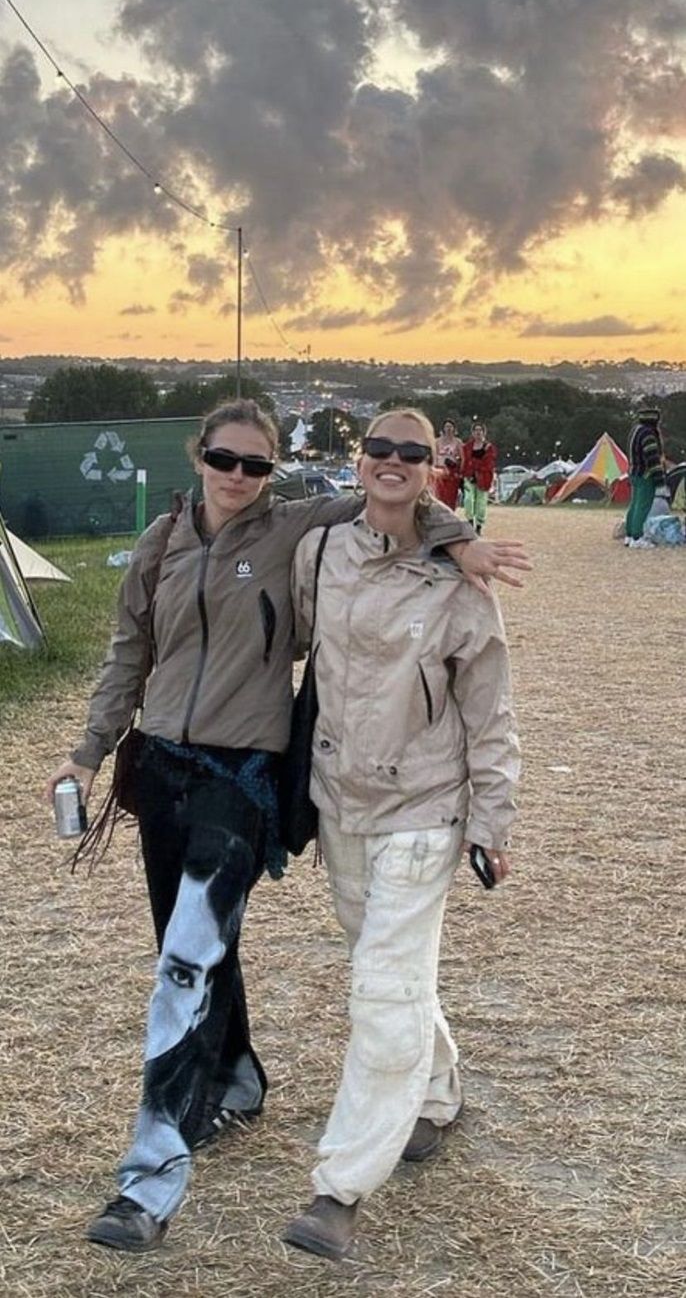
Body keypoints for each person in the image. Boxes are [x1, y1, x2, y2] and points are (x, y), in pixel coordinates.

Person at [44, 399, 530, 1254]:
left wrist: (461, 542)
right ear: (198, 457)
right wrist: (88, 755)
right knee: (202, 951)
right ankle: (250, 1077)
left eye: (256, 465)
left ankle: (174, 1185)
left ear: (274, 472)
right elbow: (129, 652)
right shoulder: (189, 545)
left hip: (257, 779)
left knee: (203, 964)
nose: (238, 477)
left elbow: (401, 504)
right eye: (223, 460)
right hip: (184, 771)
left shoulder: (297, 531)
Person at [284, 408, 519, 1261]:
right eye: (378, 448)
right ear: (359, 461)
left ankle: (340, 1187)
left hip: (423, 807)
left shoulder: (462, 583)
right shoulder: (321, 552)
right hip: (339, 800)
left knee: (383, 989)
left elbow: (490, 711)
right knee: (387, 970)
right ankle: (438, 1093)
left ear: (431, 470)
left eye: (411, 453)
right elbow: (292, 639)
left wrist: (492, 818)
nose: (392, 461)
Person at [625, 405, 666, 548]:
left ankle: (629, 535)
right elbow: (652, 458)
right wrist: (660, 480)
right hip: (645, 475)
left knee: (634, 504)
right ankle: (637, 537)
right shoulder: (648, 434)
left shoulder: (636, 430)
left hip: (634, 472)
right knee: (643, 506)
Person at [461, 421, 498, 534]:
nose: (478, 432)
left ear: (484, 432)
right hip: (469, 477)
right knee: (468, 499)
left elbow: (489, 463)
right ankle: (470, 520)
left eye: (480, 430)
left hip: (483, 478)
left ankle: (479, 525)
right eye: (476, 430)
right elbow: (465, 461)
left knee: (481, 502)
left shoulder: (489, 448)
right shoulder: (467, 447)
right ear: (472, 432)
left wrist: (477, 470)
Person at [433, 418, 463, 510]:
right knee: (439, 493)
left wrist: (460, 470)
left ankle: (450, 511)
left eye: (450, 426)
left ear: (454, 428)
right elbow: (433, 455)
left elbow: (463, 457)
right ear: (443, 428)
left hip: (452, 471)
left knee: (451, 495)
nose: (448, 429)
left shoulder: (458, 442)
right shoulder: (437, 441)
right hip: (439, 469)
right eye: (446, 426)